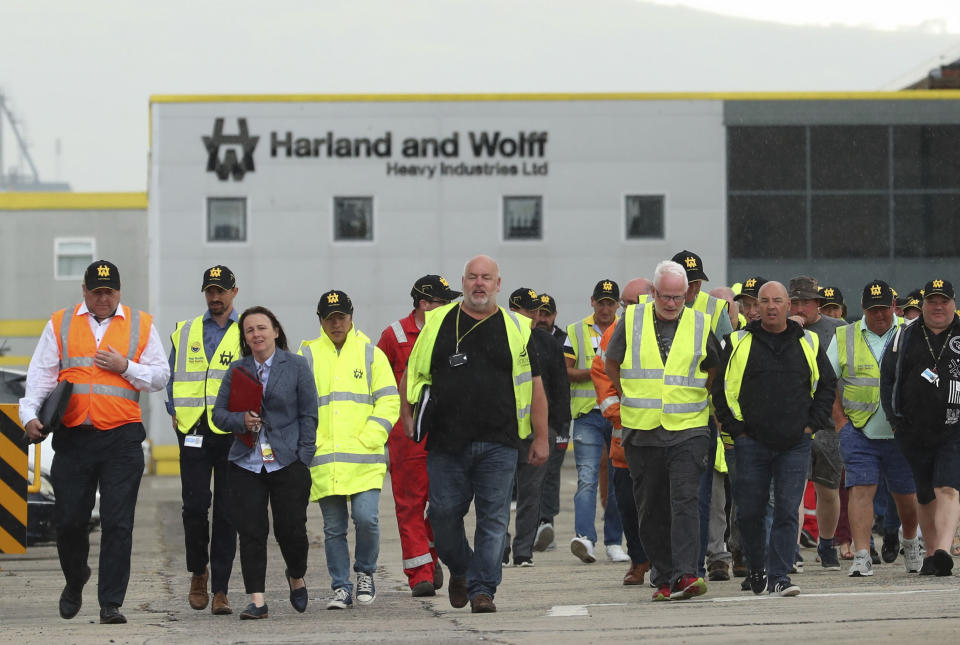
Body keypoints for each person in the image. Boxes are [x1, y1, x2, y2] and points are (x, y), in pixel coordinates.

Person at [21, 260, 170, 624]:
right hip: (74, 438)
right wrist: (30, 415)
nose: (103, 298)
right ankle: (75, 580)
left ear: (119, 291)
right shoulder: (61, 322)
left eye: (110, 292)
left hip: (121, 439)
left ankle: (111, 603)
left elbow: (161, 376)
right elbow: (40, 375)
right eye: (97, 291)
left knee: (118, 524)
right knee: (69, 521)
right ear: (84, 291)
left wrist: (126, 367)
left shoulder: (141, 324)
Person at [401, 255, 549, 613]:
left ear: (498, 284)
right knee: (441, 515)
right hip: (445, 442)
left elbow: (536, 385)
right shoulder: (438, 323)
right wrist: (406, 417)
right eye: (472, 277)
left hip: (499, 442)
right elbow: (412, 372)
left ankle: (483, 589)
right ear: (463, 282)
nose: (478, 283)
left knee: (494, 519)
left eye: (486, 278)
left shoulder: (517, 327)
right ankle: (462, 569)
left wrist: (541, 437)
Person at [605, 260, 722, 601]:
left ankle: (687, 573)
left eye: (678, 297)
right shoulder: (632, 320)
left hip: (688, 429)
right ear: (653, 293)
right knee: (651, 507)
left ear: (686, 294)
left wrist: (696, 394)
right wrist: (627, 394)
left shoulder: (701, 323)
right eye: (666, 297)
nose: (672, 304)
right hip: (642, 431)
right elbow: (611, 362)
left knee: (685, 500)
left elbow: (714, 365)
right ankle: (664, 574)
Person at [713, 281, 837, 597]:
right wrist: (736, 430)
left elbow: (826, 385)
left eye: (777, 301)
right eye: (763, 301)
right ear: (753, 308)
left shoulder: (808, 342)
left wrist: (812, 425)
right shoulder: (737, 342)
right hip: (750, 443)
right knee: (750, 511)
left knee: (785, 509)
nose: (769, 306)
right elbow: (719, 390)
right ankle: (756, 568)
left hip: (795, 443)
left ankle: (779, 575)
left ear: (788, 306)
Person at [212, 306, 318, 619]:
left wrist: (304, 455)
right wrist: (240, 420)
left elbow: (309, 414)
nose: (256, 334)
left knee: (291, 530)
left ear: (275, 331)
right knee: (251, 531)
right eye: (249, 331)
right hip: (246, 462)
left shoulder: (296, 366)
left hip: (287, 461)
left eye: (261, 328)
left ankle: (296, 573)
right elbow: (218, 415)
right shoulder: (237, 370)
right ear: (244, 338)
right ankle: (257, 600)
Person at [299, 290, 400, 609]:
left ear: (351, 317)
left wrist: (371, 436)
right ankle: (341, 587)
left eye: (341, 316)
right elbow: (296, 402)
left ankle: (366, 572)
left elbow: (389, 399)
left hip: (363, 458)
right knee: (333, 528)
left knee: (366, 518)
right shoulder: (308, 355)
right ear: (321, 321)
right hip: (325, 459)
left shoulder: (370, 354)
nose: (336, 323)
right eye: (330, 318)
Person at [829, 280, 921, 577]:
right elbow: (826, 380)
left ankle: (911, 541)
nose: (879, 315)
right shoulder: (844, 335)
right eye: (872, 310)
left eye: (884, 309)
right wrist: (841, 421)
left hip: (901, 432)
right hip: (859, 430)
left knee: (907, 497)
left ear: (894, 307)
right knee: (860, 491)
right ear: (863, 309)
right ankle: (862, 554)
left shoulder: (911, 332)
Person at [377, 275, 459, 597]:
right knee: (410, 505)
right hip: (407, 435)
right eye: (443, 302)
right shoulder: (393, 336)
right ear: (424, 303)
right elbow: (380, 386)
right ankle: (420, 574)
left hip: (446, 432)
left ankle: (431, 555)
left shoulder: (454, 333)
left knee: (445, 505)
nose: (450, 307)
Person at [166, 265, 240, 615]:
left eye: (221, 291)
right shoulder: (185, 331)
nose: (215, 297)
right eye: (210, 291)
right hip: (193, 431)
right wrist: (174, 412)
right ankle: (199, 572)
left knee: (227, 512)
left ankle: (222, 589)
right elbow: (172, 376)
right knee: (194, 508)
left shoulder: (247, 331)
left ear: (233, 292)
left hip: (231, 435)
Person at [881, 278, 960, 576]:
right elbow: (887, 379)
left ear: (953, 303)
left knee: (948, 486)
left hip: (954, 427)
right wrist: (894, 420)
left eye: (944, 301)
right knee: (924, 493)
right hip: (913, 430)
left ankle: (943, 549)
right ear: (923, 304)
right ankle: (931, 554)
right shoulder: (905, 336)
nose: (938, 307)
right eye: (932, 301)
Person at [591, 277, 653, 585]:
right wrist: (619, 414)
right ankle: (639, 560)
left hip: (662, 433)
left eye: (635, 304)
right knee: (627, 502)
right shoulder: (614, 334)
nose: (629, 310)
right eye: (626, 304)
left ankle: (665, 561)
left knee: (660, 502)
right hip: (625, 437)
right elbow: (600, 374)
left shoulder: (667, 331)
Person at [566, 279, 627, 564]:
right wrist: (596, 372)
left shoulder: (626, 329)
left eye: (610, 303)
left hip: (618, 413)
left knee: (617, 480)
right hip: (588, 414)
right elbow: (565, 370)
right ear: (592, 302)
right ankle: (586, 538)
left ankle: (615, 541)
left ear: (617, 305)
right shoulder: (575, 330)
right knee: (587, 477)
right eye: (601, 302)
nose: (605, 308)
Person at [506, 288, 569, 567]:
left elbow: (559, 387)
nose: (535, 317)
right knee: (497, 495)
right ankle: (499, 547)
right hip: (503, 431)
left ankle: (523, 552)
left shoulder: (546, 342)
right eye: (529, 311)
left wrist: (555, 429)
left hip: (537, 431)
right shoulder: (498, 337)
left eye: (538, 312)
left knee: (532, 494)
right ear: (513, 310)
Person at [789, 275, 846, 570]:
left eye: (805, 302)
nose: (799, 308)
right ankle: (793, 548)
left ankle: (826, 544)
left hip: (828, 423)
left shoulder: (839, 330)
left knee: (827, 488)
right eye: (794, 302)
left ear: (818, 304)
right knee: (794, 487)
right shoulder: (779, 328)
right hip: (792, 423)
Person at [532, 292, 572, 551]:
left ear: (554, 315)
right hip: (532, 418)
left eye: (547, 314)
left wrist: (560, 421)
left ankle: (546, 522)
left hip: (557, 418)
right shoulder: (526, 338)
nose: (543, 318)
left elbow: (563, 382)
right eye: (540, 313)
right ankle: (535, 525)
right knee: (531, 474)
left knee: (551, 473)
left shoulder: (562, 340)